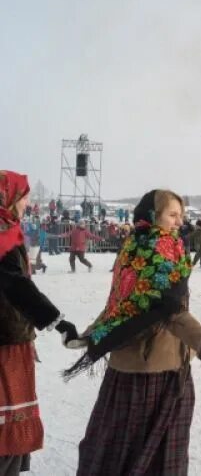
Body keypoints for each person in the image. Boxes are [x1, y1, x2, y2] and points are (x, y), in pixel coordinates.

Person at [68, 190, 201, 476]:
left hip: (160, 364)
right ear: (152, 216)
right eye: (172, 215)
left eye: (181, 216)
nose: (179, 222)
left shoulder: (143, 246)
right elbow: (168, 310)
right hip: (150, 372)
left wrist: (92, 334)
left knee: (121, 448)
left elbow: (119, 303)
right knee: (139, 455)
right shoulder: (154, 250)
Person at [0, 171, 80, 475]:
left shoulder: (9, 230)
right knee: (6, 435)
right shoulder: (2, 233)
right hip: (5, 343)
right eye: (25, 197)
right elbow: (16, 285)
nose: (28, 203)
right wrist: (58, 322)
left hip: (13, 336)